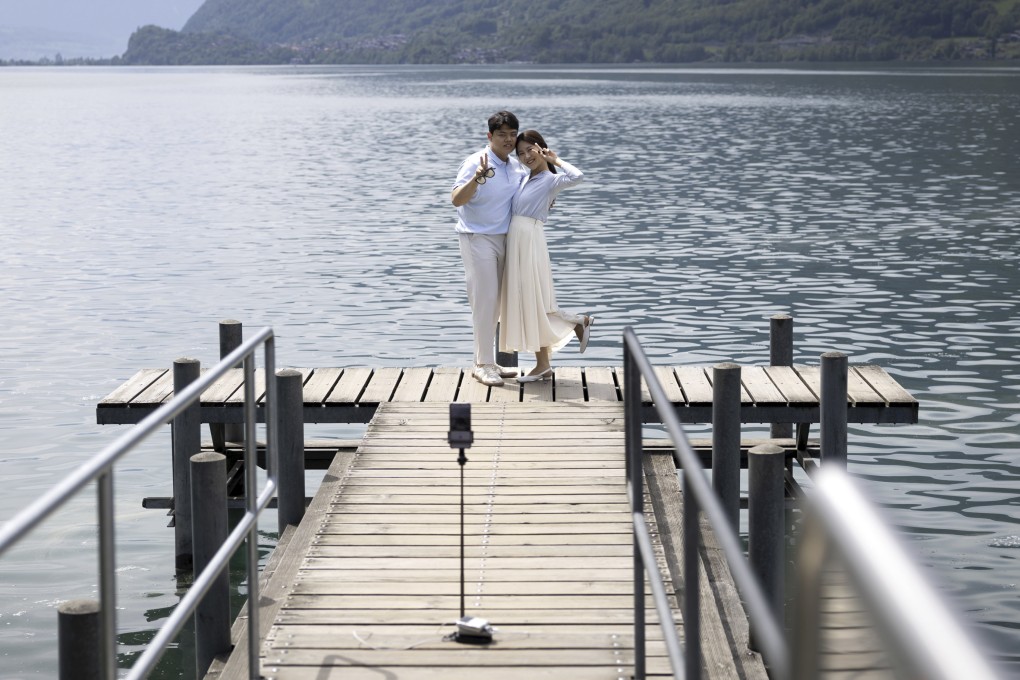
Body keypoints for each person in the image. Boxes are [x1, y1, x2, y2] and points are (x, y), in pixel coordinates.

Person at [499, 130, 594, 382]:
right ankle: (544, 363)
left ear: (541, 148)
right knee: (528, 301)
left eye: (530, 149)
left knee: (534, 299)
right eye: (520, 153)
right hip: (516, 240)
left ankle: (575, 324)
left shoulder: (551, 180)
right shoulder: (523, 178)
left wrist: (555, 160)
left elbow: (578, 176)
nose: (526, 156)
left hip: (530, 240)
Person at [451, 111, 528, 386]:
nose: (508, 140)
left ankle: (488, 361)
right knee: (484, 301)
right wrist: (478, 178)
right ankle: (482, 364)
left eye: (511, 135)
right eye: (501, 135)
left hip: (506, 239)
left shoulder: (515, 166)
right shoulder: (476, 163)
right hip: (477, 238)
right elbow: (456, 199)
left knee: (498, 304)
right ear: (489, 137)